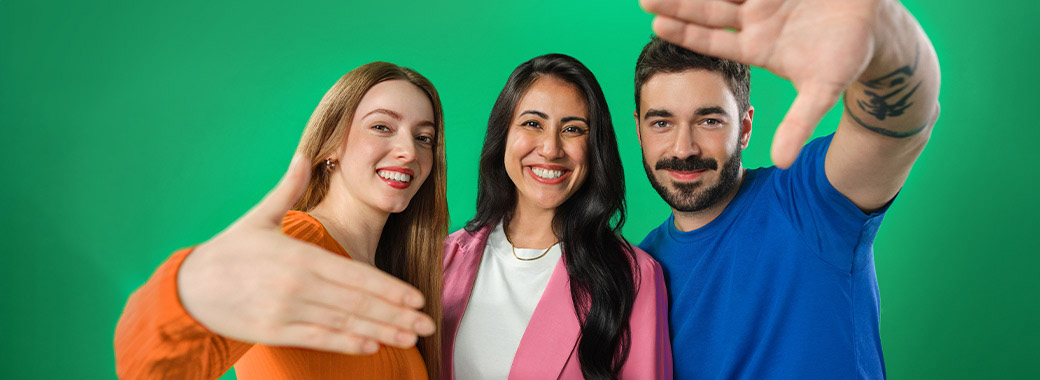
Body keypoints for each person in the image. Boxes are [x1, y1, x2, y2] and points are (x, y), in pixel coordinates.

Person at [633, 0, 940, 378]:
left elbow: (898, 124)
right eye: (662, 123)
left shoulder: (810, 203)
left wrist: (881, 28)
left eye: (709, 120)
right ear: (639, 130)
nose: (684, 148)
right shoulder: (638, 271)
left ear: (745, 128)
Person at [115, 61, 449, 379]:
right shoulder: (292, 243)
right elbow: (148, 367)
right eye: (381, 127)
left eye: (424, 138)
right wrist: (189, 290)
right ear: (331, 142)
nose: (409, 151)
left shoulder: (392, 276)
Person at [442, 54, 671, 380]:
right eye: (532, 124)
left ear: (594, 149)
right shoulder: (441, 260)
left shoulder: (634, 277)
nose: (551, 148)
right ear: (503, 134)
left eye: (573, 129)